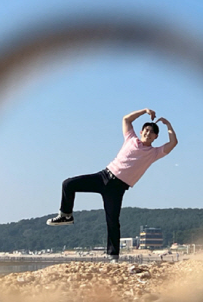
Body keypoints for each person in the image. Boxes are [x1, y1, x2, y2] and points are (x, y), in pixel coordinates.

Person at [46, 108, 178, 261]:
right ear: (141, 131)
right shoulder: (130, 138)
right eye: (146, 130)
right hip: (104, 176)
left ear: (155, 137)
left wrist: (168, 124)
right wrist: (144, 111)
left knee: (112, 221)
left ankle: (113, 256)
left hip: (117, 188)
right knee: (68, 184)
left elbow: (173, 142)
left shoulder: (154, 153)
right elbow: (126, 119)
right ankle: (65, 215)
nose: (148, 133)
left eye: (152, 133)